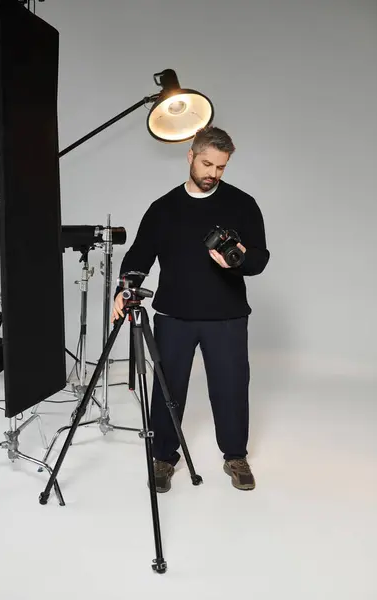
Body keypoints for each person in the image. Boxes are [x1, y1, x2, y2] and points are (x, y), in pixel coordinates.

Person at [111, 126, 270, 492]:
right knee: (168, 389)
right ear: (190, 156)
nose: (213, 173)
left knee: (230, 389)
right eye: (207, 163)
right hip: (174, 316)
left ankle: (235, 455)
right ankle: (163, 458)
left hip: (227, 316)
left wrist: (238, 259)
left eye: (222, 167)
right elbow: (139, 256)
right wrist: (125, 288)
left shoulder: (242, 204)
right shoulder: (163, 208)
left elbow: (260, 259)